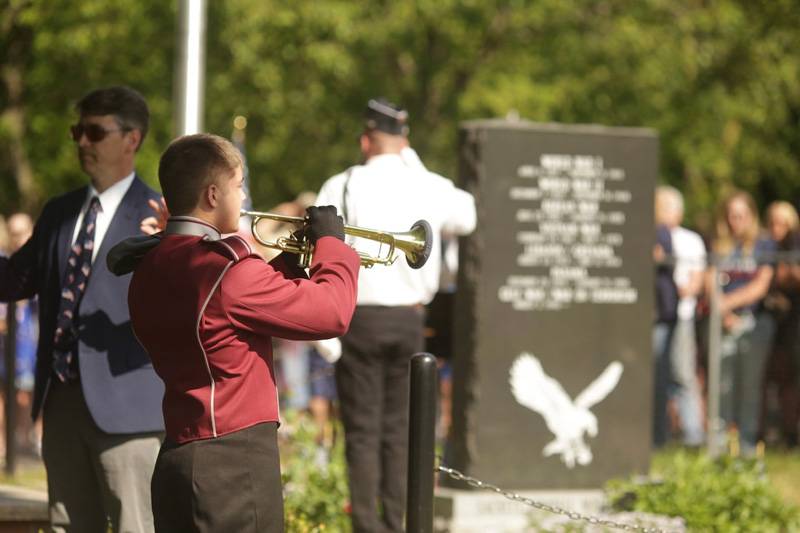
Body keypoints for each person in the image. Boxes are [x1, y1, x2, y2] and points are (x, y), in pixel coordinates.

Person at [120, 133, 359, 532]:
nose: (244, 197)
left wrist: (288, 262)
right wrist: (332, 247)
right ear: (213, 195)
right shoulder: (226, 268)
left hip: (179, 452)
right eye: (239, 185)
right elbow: (332, 313)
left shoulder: (152, 264)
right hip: (233, 460)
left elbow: (224, 314)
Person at [0, 86, 165, 532]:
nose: (82, 143)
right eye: (78, 131)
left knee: (135, 526)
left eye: (94, 132)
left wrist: (176, 242)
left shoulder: (160, 215)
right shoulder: (59, 212)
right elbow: (14, 279)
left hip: (130, 408)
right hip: (61, 402)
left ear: (132, 139)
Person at [315, 98, 476, 533]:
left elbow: (317, 247)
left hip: (356, 318)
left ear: (366, 140)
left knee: (363, 433)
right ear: (404, 141)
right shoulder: (426, 184)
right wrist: (415, 163)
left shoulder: (342, 183)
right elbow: (468, 215)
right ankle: (402, 523)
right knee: (404, 432)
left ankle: (368, 526)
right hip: (408, 320)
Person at [710, 190, 776, 454]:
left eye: (741, 216)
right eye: (731, 216)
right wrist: (721, 312)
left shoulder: (764, 244)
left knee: (750, 387)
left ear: (751, 216)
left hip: (753, 323)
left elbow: (761, 285)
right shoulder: (720, 245)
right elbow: (710, 278)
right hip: (722, 324)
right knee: (722, 388)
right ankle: (719, 449)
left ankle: (748, 449)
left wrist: (728, 304)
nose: (735, 221)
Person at [655, 186, 707, 447]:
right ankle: (659, 437)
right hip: (656, 318)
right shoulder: (649, 237)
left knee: (684, 375)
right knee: (657, 377)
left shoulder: (690, 240)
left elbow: (697, 277)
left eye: (665, 206)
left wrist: (687, 290)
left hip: (682, 317)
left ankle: (693, 436)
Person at [761, 201, 800, 446]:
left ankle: (791, 433)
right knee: (776, 379)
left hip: (794, 323)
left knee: (792, 378)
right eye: (773, 222)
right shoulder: (763, 247)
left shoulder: (795, 243)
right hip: (775, 323)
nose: (778, 228)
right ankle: (782, 433)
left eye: (783, 223)